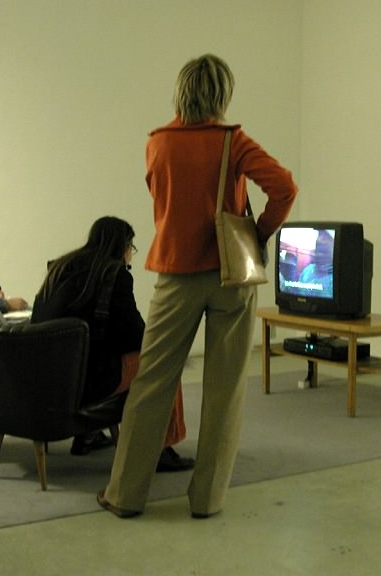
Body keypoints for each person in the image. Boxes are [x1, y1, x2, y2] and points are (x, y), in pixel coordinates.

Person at [98, 54, 297, 519]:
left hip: (176, 276)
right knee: (224, 390)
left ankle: (125, 494)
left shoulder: (158, 143)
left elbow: (163, 199)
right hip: (231, 276)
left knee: (151, 384)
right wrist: (259, 234)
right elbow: (284, 187)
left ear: (180, 91)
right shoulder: (233, 141)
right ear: (222, 94)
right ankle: (207, 500)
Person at [31, 216, 193, 469]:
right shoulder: (113, 275)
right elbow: (133, 333)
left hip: (49, 377)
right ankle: (160, 449)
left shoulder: (60, 268)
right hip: (90, 380)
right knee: (164, 361)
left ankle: (88, 434)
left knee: (98, 354)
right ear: (124, 246)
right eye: (132, 247)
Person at [297, 230, 334, 298]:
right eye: (317, 250)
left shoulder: (334, 278)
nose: (318, 255)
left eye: (323, 251)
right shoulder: (308, 270)